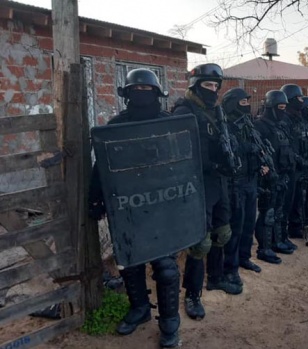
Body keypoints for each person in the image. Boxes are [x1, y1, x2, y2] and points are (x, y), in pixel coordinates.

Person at [88, 68, 180, 348]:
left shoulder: (171, 125)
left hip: (163, 206)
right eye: (137, 91)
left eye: (147, 91)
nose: (142, 96)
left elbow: (184, 165)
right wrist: (96, 198)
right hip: (128, 207)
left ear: (157, 94)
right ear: (127, 95)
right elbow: (102, 165)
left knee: (166, 268)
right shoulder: (117, 125)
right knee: (130, 261)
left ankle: (169, 321)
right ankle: (139, 309)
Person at [172, 63, 241, 321]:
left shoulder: (217, 110)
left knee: (222, 233)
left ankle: (216, 278)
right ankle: (192, 294)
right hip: (197, 183)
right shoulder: (184, 110)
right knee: (200, 243)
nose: (212, 90)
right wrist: (211, 163)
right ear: (195, 85)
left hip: (219, 181)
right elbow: (180, 153)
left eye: (215, 86)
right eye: (207, 85)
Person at [221, 88, 269, 282]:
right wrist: (247, 148)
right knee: (236, 227)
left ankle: (244, 258)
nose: (247, 105)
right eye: (243, 102)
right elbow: (229, 152)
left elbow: (257, 148)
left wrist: (262, 163)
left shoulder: (248, 124)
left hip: (251, 180)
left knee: (249, 222)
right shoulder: (225, 125)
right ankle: (230, 268)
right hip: (235, 183)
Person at [254, 90, 296, 262]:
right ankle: (264, 248)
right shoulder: (259, 125)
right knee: (267, 213)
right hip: (268, 178)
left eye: (285, 107)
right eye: (280, 107)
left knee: (279, 212)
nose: (283, 111)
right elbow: (257, 151)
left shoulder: (281, 125)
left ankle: (277, 241)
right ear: (270, 107)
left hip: (281, 175)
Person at [279, 84, 308, 246]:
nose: (302, 101)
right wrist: (300, 160)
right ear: (291, 99)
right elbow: (288, 146)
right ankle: (284, 233)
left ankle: (296, 226)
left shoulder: (298, 117)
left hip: (301, 166)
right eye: (299, 98)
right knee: (288, 201)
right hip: (291, 167)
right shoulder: (285, 119)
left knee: (299, 198)